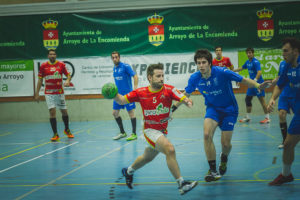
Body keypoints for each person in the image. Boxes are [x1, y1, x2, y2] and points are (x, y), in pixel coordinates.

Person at [172, 49, 269, 182]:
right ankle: (213, 171)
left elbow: (244, 79)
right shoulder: (195, 78)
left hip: (230, 109)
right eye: (198, 63)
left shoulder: (222, 72)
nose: (201, 65)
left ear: (210, 63)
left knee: (226, 144)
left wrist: (258, 85)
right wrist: (172, 109)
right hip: (212, 109)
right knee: (206, 135)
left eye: (204, 62)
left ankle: (224, 158)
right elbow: (185, 95)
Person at [112, 63, 198, 195]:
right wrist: (113, 94)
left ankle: (128, 171)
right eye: (158, 76)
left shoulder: (169, 90)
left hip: (162, 131)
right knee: (170, 149)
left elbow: (183, 97)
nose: (161, 78)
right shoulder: (141, 92)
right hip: (149, 130)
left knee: (147, 157)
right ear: (149, 78)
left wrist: (188, 102)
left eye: (163, 76)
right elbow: (122, 100)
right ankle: (182, 184)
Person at [268, 37, 300, 186]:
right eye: (282, 51)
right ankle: (286, 175)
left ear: (295, 51)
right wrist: (272, 99)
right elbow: (279, 85)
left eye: (286, 51)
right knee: (287, 145)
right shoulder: (287, 66)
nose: (283, 54)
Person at [35, 49, 74, 141]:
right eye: (50, 54)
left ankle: (67, 129)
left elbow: (68, 75)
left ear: (56, 55)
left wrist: (68, 80)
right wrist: (37, 93)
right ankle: (55, 134)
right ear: (48, 56)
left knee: (64, 112)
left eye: (54, 54)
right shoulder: (43, 66)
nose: (52, 56)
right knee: (52, 112)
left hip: (59, 93)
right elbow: (40, 80)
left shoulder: (61, 65)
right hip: (49, 93)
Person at [233, 47, 270, 124]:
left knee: (262, 101)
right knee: (247, 99)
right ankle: (248, 117)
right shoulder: (247, 62)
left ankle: (267, 118)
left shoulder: (256, 62)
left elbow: (259, 72)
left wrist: (255, 81)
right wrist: (233, 71)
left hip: (258, 85)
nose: (249, 54)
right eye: (247, 53)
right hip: (251, 85)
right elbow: (241, 68)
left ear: (253, 53)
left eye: (250, 53)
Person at [111, 51, 138, 141]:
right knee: (115, 113)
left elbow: (135, 76)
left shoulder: (125, 66)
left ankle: (134, 134)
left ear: (119, 57)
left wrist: (135, 88)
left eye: (116, 57)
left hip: (128, 95)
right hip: (117, 95)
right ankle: (122, 132)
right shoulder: (114, 69)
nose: (115, 59)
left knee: (131, 113)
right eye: (113, 57)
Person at [270, 60, 296, 149]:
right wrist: (272, 81)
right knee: (281, 114)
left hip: (296, 93)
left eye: (286, 51)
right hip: (284, 93)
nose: (284, 54)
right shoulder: (282, 63)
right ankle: (285, 141)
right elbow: (280, 77)